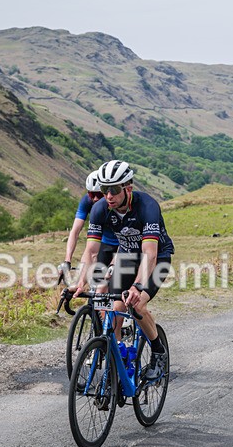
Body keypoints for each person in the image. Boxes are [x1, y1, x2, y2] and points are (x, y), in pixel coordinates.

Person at [73, 160, 174, 381]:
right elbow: (91, 251)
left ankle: (158, 353)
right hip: (127, 258)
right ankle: (116, 357)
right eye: (104, 189)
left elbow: (150, 254)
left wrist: (137, 286)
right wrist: (81, 282)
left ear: (128, 187)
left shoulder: (147, 207)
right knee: (112, 306)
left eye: (115, 189)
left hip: (157, 259)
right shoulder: (100, 209)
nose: (109, 195)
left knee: (136, 304)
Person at [57, 171, 120, 283]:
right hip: (105, 242)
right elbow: (75, 231)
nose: (95, 199)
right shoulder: (86, 201)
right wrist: (67, 260)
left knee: (116, 280)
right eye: (91, 194)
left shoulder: (116, 202)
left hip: (123, 243)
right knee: (93, 278)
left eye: (99, 195)